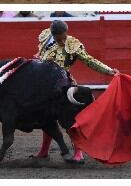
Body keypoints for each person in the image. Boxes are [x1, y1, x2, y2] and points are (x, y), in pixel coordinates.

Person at [34, 20, 118, 162]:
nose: (60, 39)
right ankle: (44, 151)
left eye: (61, 36)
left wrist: (109, 71)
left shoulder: (73, 44)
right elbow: (39, 54)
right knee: (46, 118)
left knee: (70, 120)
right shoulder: (46, 36)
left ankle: (79, 153)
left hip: (63, 86)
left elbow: (89, 60)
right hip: (44, 85)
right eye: (56, 36)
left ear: (66, 32)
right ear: (52, 33)